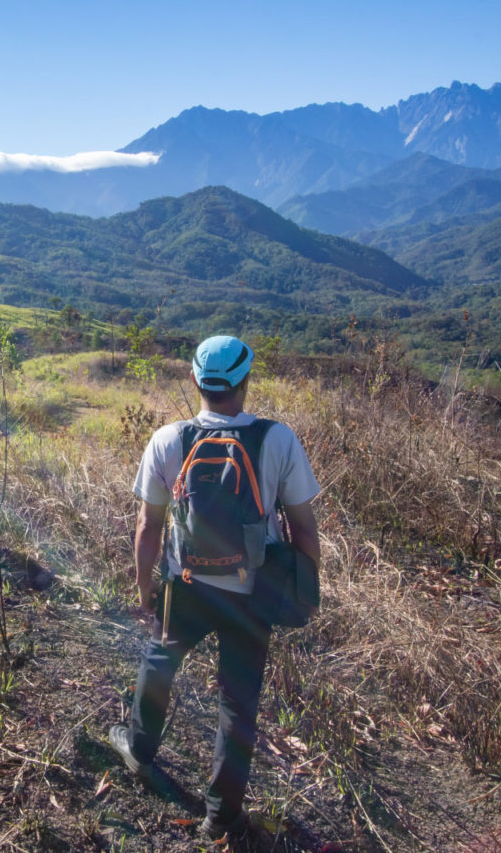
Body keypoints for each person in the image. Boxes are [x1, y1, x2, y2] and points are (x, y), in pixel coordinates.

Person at [109, 335, 321, 841]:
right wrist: (306, 591)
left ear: (195, 381)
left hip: (185, 584)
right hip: (252, 592)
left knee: (159, 660)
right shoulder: (278, 440)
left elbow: (148, 528)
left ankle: (138, 751)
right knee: (237, 701)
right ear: (247, 381)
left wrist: (144, 593)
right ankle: (222, 817)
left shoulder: (167, 439)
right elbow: (303, 528)